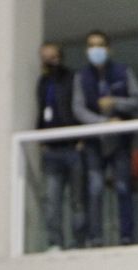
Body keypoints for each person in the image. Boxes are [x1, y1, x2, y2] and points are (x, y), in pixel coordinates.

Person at [72, 30, 138, 247]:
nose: (96, 50)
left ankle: (126, 235)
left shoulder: (123, 71)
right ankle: (95, 237)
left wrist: (115, 103)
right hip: (95, 142)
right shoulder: (81, 77)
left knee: (122, 187)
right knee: (95, 188)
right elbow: (78, 109)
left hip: (120, 142)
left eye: (100, 45)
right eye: (92, 46)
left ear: (109, 48)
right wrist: (102, 123)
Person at [35, 41, 85, 251]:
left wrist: (81, 136)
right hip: (51, 149)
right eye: (45, 57)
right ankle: (55, 242)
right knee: (52, 200)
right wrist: (41, 138)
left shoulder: (72, 78)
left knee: (77, 199)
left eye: (52, 57)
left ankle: (79, 241)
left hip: (72, 146)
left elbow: (78, 107)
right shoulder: (43, 82)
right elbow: (41, 109)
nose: (49, 61)